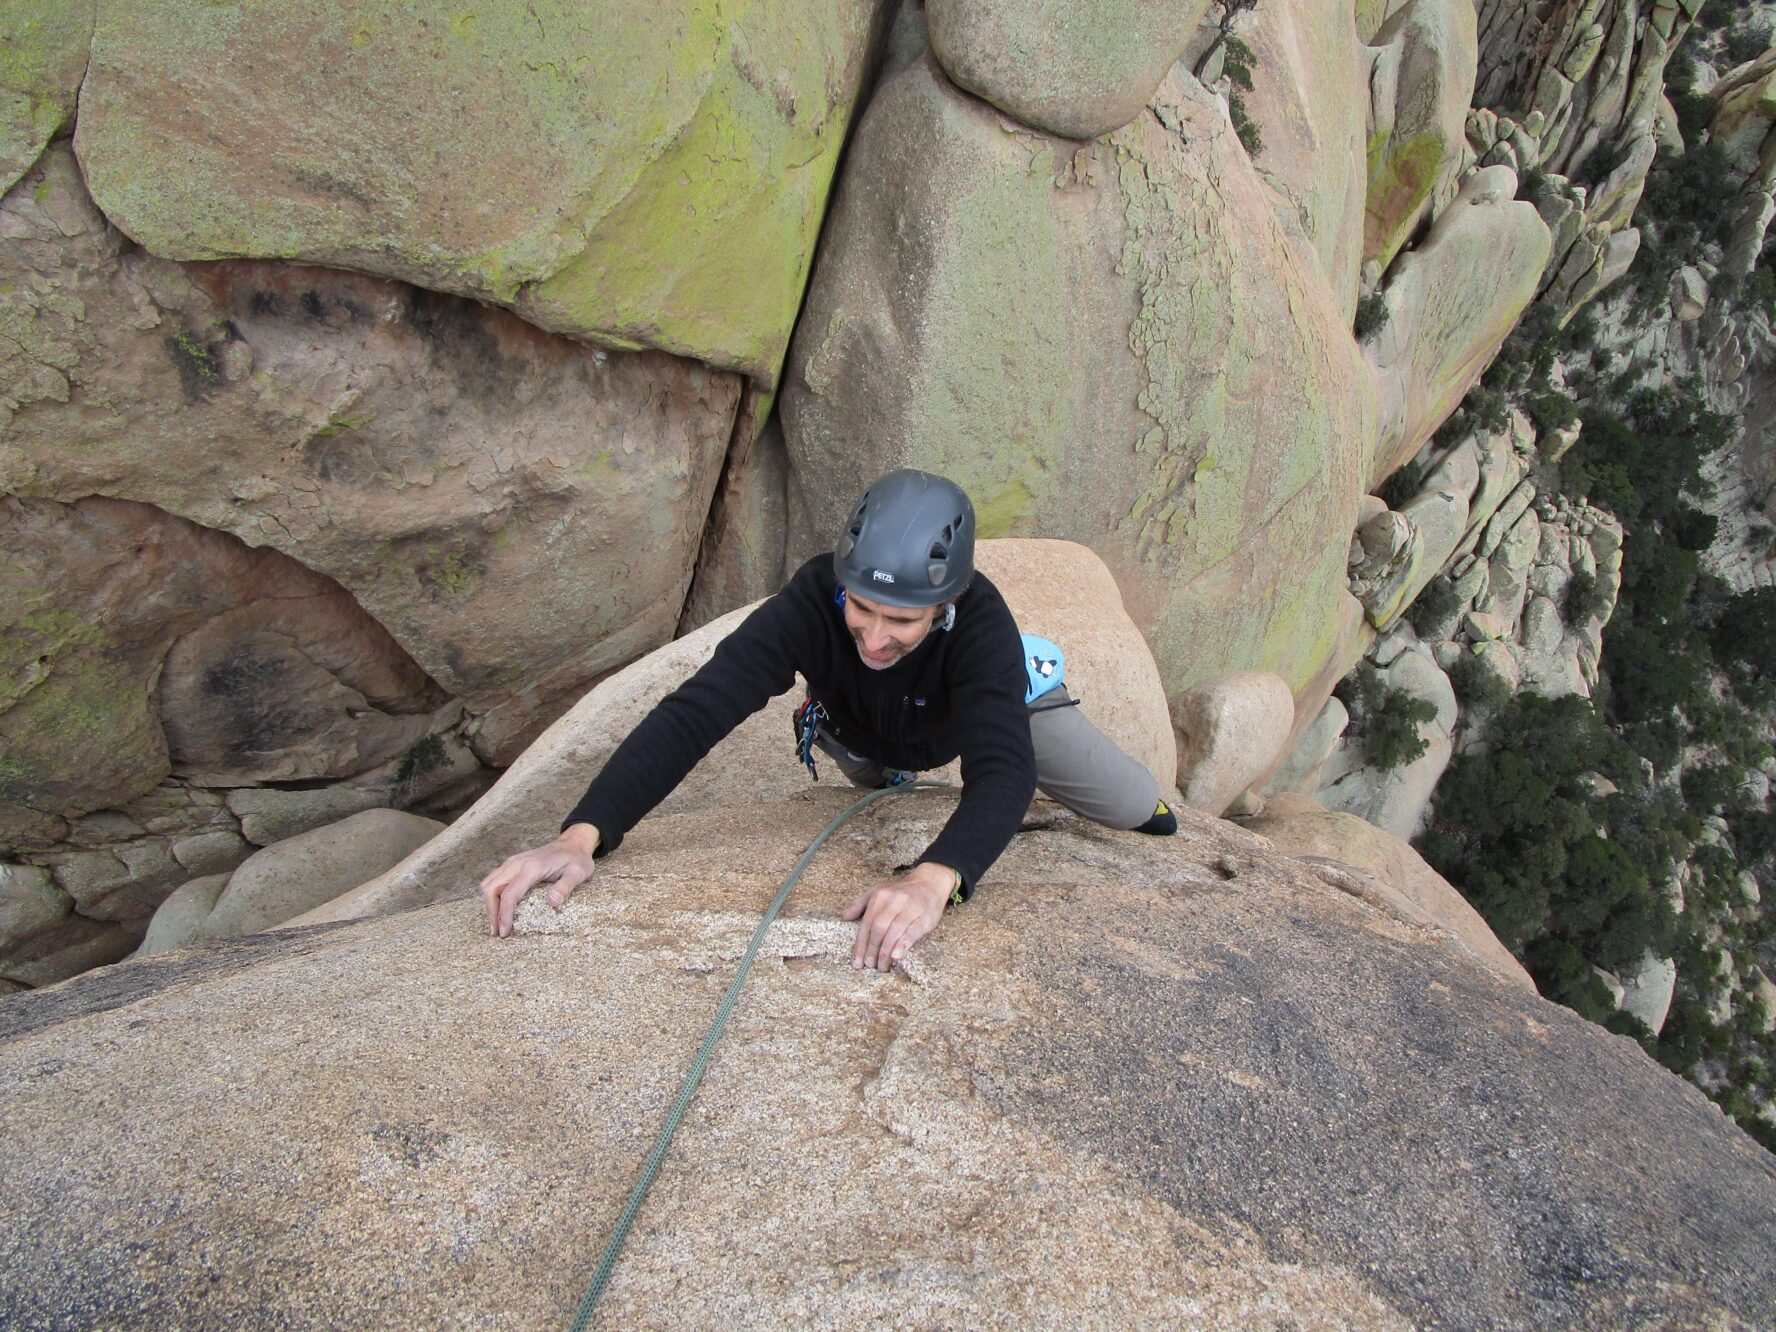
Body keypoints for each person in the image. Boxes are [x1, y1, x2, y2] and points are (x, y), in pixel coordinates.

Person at [480, 469, 1175, 970]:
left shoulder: (981, 624)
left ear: (947, 604)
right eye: (860, 608)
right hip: (868, 726)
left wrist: (936, 878)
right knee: (868, 766)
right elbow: (697, 712)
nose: (873, 637)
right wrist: (582, 836)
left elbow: (1004, 772)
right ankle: (879, 755)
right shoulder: (813, 597)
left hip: (979, 710)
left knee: (1135, 805)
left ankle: (1108, 758)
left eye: (901, 619)